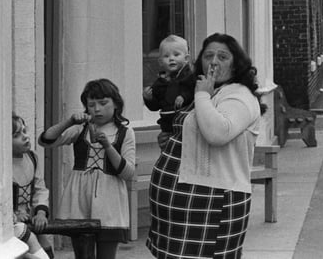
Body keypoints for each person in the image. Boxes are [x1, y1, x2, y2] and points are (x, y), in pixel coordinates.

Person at [146, 33, 265, 259]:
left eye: (222, 56)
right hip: (181, 202)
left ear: (236, 63)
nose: (214, 62)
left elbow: (217, 133)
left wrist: (202, 95)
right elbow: (196, 130)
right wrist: (174, 141)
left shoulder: (239, 96)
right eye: (208, 55)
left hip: (212, 202)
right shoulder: (209, 92)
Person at [39, 79, 136, 259]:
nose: (97, 109)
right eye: (91, 105)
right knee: (82, 252)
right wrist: (69, 121)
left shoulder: (125, 132)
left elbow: (128, 173)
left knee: (106, 254)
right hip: (80, 197)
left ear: (116, 103)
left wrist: (108, 146)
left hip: (110, 200)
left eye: (103, 103)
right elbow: (46, 140)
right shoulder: (80, 129)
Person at [143, 34, 196, 150]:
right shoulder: (160, 82)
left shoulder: (189, 76)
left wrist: (183, 97)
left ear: (186, 58)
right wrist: (149, 99)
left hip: (186, 124)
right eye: (166, 56)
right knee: (169, 150)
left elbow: (193, 91)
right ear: (160, 61)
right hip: (167, 125)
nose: (171, 58)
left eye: (176, 55)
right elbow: (156, 106)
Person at [12, 113, 53, 259]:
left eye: (24, 131)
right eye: (17, 135)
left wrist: (41, 213)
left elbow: (40, 188)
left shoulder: (32, 157)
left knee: (46, 248)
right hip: (12, 223)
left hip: (31, 217)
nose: (25, 136)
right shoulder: (3, 164)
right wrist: (14, 213)